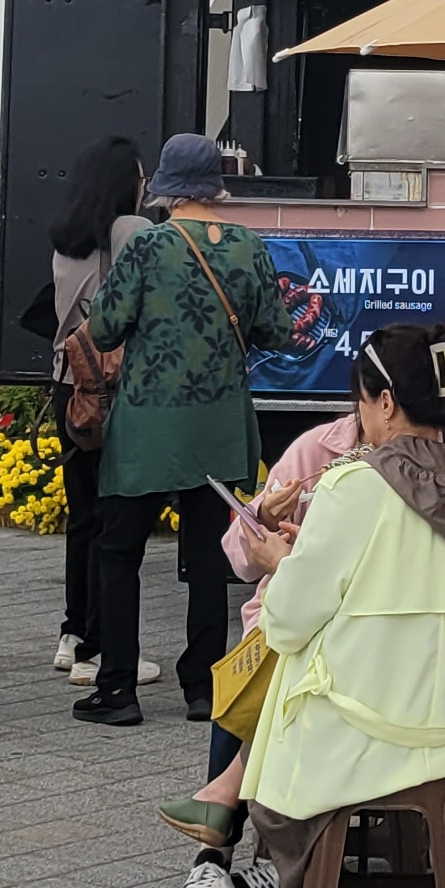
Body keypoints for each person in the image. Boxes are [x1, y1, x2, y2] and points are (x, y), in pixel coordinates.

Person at [203, 324, 445, 888]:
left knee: (284, 686)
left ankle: (299, 886)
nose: (360, 417)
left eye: (363, 402)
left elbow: (286, 623)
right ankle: (285, 863)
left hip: (369, 726)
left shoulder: (352, 484)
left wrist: (283, 564)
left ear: (386, 402)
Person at [76, 134, 299, 729]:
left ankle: (118, 687)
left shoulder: (147, 246)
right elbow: (277, 333)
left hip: (147, 425)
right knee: (206, 557)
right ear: (216, 186)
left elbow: (104, 329)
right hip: (220, 423)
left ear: (164, 188)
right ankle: (202, 686)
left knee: (118, 552)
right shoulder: (249, 246)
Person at [45, 134, 147, 688]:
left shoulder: (66, 238)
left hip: (70, 386)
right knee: (113, 517)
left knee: (82, 516)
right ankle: (98, 648)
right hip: (112, 389)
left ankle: (73, 633)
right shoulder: (130, 231)